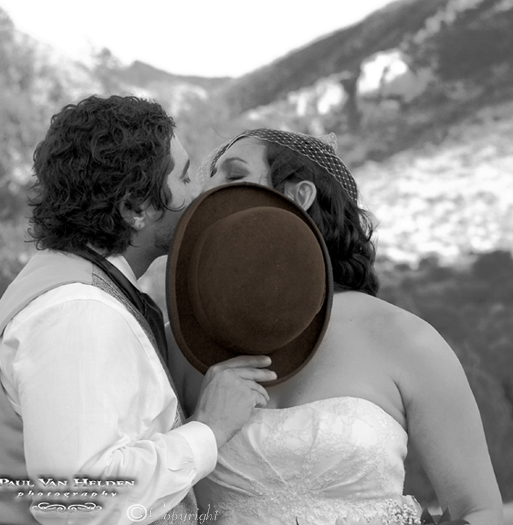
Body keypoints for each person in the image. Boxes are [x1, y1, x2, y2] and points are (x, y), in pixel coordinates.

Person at [166, 129, 504, 525]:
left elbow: (480, 511)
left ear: (298, 195)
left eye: (234, 176)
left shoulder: (404, 339)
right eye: (208, 178)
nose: (207, 192)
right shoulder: (181, 343)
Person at [0, 97, 277, 525]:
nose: (197, 193)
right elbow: (74, 501)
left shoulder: (71, 282)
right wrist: (209, 429)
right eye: (183, 178)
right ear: (135, 209)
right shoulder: (77, 310)